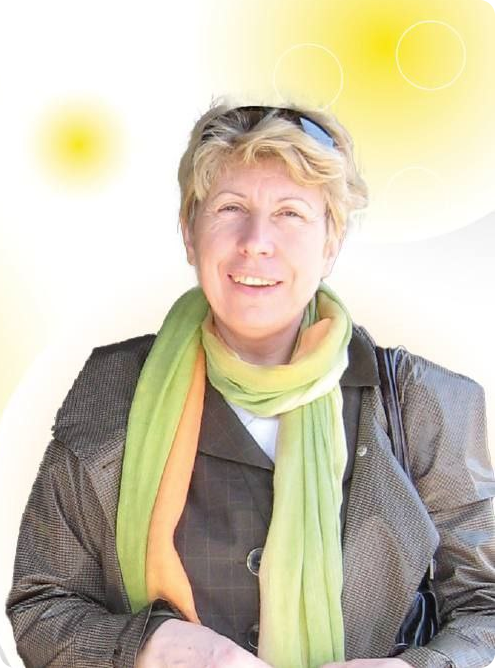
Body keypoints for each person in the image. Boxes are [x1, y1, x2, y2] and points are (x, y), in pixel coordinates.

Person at [6, 102, 495, 668]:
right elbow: (42, 605)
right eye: (231, 208)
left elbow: (485, 608)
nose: (256, 240)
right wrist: (151, 647)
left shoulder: (422, 403)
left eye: (290, 213)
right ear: (190, 233)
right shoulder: (112, 391)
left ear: (331, 242)